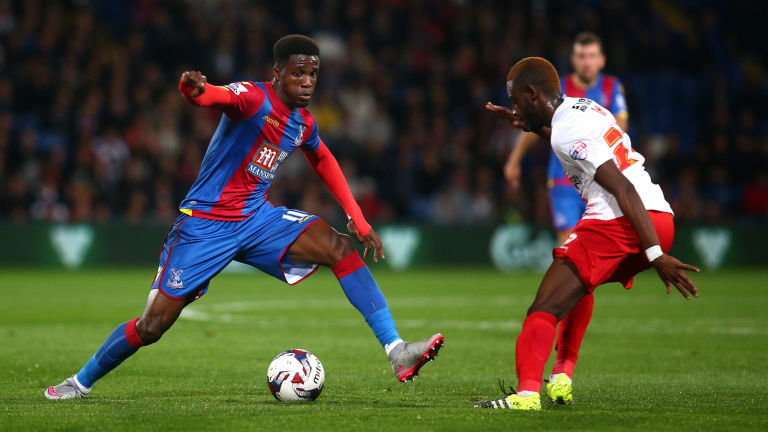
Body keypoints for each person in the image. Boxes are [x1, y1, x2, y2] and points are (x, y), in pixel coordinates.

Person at [45, 34, 444, 400]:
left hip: (256, 220)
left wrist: (357, 216)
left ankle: (397, 351)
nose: (307, 81)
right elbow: (211, 97)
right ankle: (79, 383)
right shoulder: (254, 98)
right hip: (204, 225)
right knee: (152, 326)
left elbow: (321, 157)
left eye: (313, 74)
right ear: (278, 74)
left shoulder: (303, 122)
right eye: (298, 73)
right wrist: (193, 90)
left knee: (339, 246)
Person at [476, 57, 698, 410]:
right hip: (659, 216)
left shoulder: (568, 130)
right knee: (580, 285)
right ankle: (562, 373)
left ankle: (527, 395)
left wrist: (655, 255)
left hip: (622, 221)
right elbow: (568, 138)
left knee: (544, 308)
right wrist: (530, 126)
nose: (515, 108)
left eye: (518, 101)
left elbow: (621, 188)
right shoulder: (582, 107)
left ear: (532, 93)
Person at [500, 31, 629, 408]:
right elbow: (539, 128)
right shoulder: (558, 89)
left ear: (601, 59)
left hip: (601, 178)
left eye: (592, 55)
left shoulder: (610, 88)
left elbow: (619, 129)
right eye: (580, 55)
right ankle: (561, 371)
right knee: (570, 258)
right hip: (564, 180)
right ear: (573, 60)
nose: (586, 61)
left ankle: (562, 369)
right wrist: (514, 159)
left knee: (578, 271)